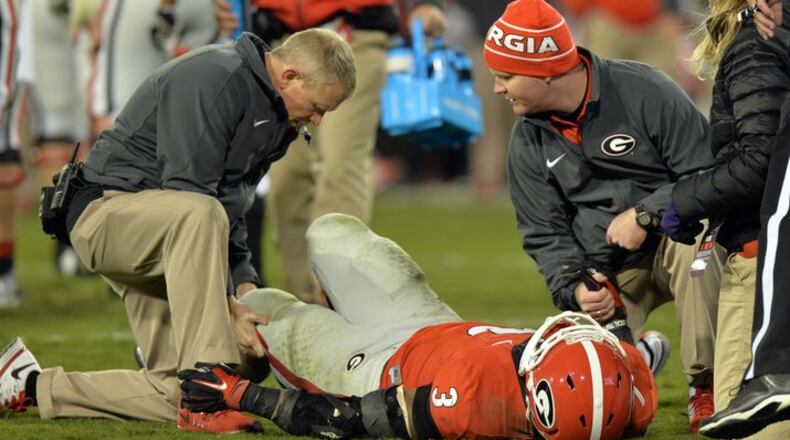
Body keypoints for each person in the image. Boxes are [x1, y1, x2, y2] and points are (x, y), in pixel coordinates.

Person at [0, 28, 355, 433]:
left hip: (167, 235)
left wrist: (243, 288)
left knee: (203, 377)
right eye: (317, 107)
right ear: (290, 76)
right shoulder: (216, 77)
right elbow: (192, 196)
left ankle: (28, 383)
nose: (318, 120)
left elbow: (230, 204)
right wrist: (225, 306)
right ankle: (205, 395)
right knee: (200, 226)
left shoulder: (275, 110)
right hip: (107, 215)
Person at [172, 212, 661, 440]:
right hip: (431, 321)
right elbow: (616, 361)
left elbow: (349, 419)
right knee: (330, 230)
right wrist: (626, 338)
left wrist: (243, 395)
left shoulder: (466, 403)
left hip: (374, 367)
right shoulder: (626, 391)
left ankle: (179, 350)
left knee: (262, 305)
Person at [483, 0, 722, 432]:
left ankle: (705, 385)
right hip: (607, 272)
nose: (498, 88)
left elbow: (706, 175)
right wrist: (575, 287)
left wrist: (647, 214)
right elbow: (543, 232)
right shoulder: (525, 142)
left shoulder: (645, 90)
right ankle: (637, 356)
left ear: (548, 71)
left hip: (674, 241)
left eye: (505, 76)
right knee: (596, 401)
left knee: (699, 254)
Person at [215, 0, 447, 304]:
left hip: (354, 34)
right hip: (282, 38)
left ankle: (338, 296)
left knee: (340, 168)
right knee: (286, 181)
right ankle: (305, 307)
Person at [659, 0, 790, 433]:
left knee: (755, 428)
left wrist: (686, 200)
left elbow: (761, 161)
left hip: (765, 260)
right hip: (765, 249)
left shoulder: (756, 40)